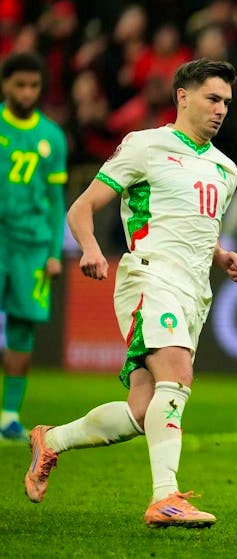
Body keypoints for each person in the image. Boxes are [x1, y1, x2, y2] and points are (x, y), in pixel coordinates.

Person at [23, 59, 237, 528]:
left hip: (194, 290)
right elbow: (82, 206)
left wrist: (221, 255)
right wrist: (89, 248)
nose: (221, 109)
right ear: (182, 97)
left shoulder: (226, 169)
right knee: (178, 372)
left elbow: (195, 229)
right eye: (212, 98)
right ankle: (165, 497)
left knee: (144, 411)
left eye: (226, 101)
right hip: (149, 276)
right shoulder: (145, 146)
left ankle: (51, 440)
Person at [0, 52, 68, 442]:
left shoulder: (51, 137)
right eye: (19, 85)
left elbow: (56, 198)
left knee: (22, 330)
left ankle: (9, 415)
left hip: (32, 245)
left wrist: (55, 252)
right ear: (6, 85)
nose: (27, 93)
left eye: (34, 86)